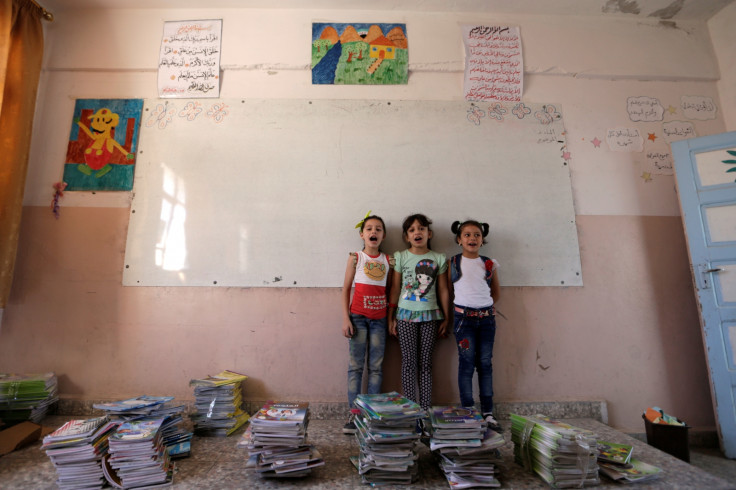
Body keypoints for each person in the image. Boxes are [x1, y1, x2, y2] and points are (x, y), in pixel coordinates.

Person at [388, 213, 449, 411]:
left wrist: (446, 317)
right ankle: (411, 409)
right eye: (412, 230)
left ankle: (424, 410)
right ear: (407, 236)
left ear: (429, 233)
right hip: (405, 316)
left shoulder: (438, 258)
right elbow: (395, 289)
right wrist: (391, 317)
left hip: (431, 315)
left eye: (421, 229)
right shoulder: (401, 257)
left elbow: (443, 290)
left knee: (426, 364)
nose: (417, 233)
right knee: (408, 363)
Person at [448, 219, 502, 432]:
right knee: (466, 363)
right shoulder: (453, 263)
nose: (472, 238)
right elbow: (448, 292)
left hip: (487, 320)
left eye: (477, 235)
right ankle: (468, 410)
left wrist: (484, 309)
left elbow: (495, 292)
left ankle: (488, 412)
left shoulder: (488, 263)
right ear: (459, 239)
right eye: (467, 235)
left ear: (482, 239)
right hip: (463, 321)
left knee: (486, 363)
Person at [341, 213, 392, 434]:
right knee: (355, 367)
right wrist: (346, 318)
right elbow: (345, 290)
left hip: (379, 320)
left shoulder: (388, 260)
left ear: (383, 235)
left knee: (376, 368)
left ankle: (371, 415)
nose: (373, 232)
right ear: (362, 234)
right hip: (358, 318)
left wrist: (390, 319)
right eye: (369, 228)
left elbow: (390, 292)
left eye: (378, 229)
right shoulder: (355, 258)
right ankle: (354, 416)